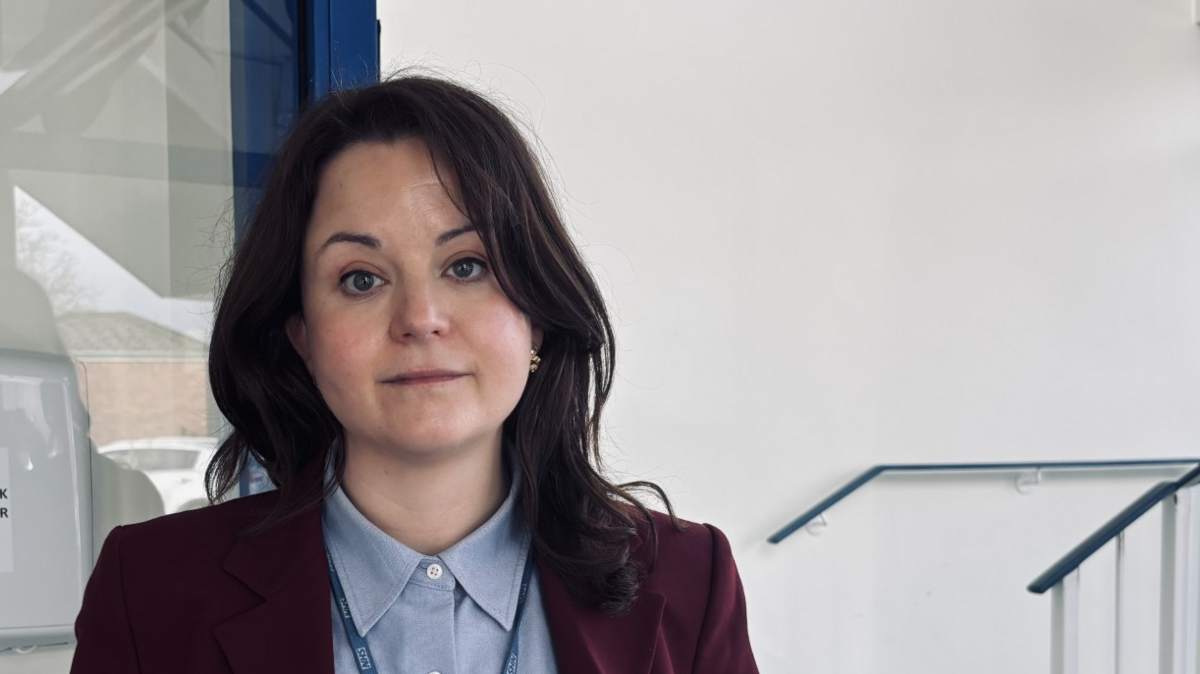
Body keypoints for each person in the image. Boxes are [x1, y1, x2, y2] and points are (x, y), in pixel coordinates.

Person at [70, 75, 758, 674]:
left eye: (467, 265)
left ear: (537, 316)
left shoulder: (689, 579)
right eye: (361, 278)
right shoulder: (152, 591)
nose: (421, 318)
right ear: (302, 336)